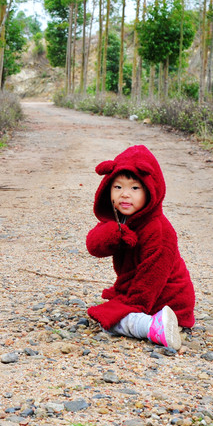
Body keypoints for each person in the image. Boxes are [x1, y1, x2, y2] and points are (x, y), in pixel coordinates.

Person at [85, 145, 195, 351]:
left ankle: (153, 326)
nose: (125, 195)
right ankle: (150, 321)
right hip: (143, 293)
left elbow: (153, 276)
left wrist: (129, 305)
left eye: (135, 188)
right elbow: (94, 246)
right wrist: (113, 234)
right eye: (117, 187)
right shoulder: (123, 219)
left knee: (109, 320)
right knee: (107, 313)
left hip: (168, 299)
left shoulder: (158, 229)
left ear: (151, 190)